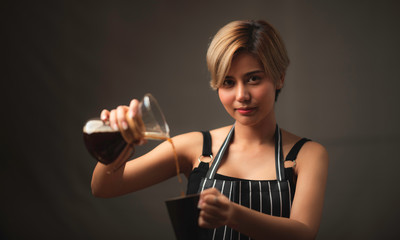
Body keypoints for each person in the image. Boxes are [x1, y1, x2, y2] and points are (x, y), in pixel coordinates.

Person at [91, 20, 329, 240]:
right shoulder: (195, 147)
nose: (241, 95)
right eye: (228, 82)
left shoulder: (307, 155)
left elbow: (303, 233)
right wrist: (118, 140)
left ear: (280, 78)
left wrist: (233, 215)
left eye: (253, 79)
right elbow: (104, 187)